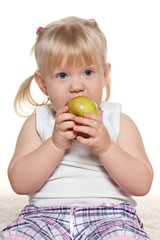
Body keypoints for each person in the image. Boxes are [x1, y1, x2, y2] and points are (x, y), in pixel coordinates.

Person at [0, 16, 153, 240]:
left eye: (88, 72)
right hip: (44, 217)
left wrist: (106, 147)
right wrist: (54, 144)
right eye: (62, 75)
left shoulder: (119, 121)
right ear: (43, 83)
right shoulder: (38, 122)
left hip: (110, 216)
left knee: (123, 236)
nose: (77, 86)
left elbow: (142, 183)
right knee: (16, 236)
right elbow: (19, 182)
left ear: (105, 74)